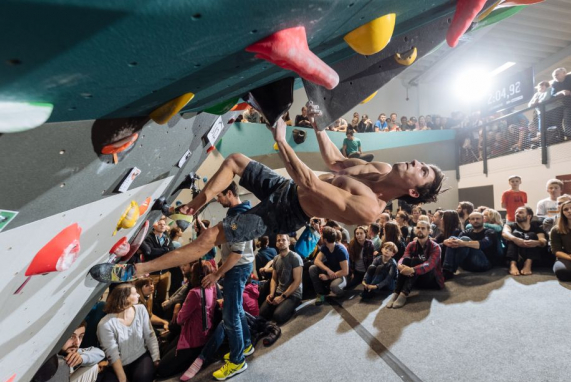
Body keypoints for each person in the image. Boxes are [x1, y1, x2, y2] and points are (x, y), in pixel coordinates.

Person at [91, 105, 445, 284]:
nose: (417, 162)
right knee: (235, 161)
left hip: (288, 212)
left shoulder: (370, 209)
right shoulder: (380, 169)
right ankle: (191, 210)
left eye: (423, 170)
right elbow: (335, 162)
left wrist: (281, 139)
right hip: (287, 187)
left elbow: (311, 184)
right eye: (423, 163)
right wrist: (319, 125)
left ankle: (135, 271)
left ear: (413, 190)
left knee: (217, 235)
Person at [202, 182, 255, 381]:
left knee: (230, 316)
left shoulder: (239, 218)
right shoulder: (236, 213)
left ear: (230, 193)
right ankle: (246, 344)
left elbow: (236, 254)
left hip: (237, 267)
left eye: (220, 196)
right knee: (237, 309)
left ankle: (237, 361)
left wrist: (217, 274)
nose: (218, 199)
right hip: (239, 266)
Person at [95, 285, 160, 382]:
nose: (139, 295)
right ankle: (123, 377)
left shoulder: (140, 309)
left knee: (142, 381)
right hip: (119, 363)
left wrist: (156, 358)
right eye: (135, 294)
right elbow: (112, 353)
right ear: (125, 298)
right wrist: (122, 380)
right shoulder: (105, 324)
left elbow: (149, 335)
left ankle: (133, 376)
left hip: (140, 356)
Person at [156, 260, 216, 378]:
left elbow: (180, 319)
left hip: (192, 338)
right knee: (165, 351)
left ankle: (192, 358)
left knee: (162, 369)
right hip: (204, 333)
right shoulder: (212, 287)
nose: (183, 268)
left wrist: (180, 307)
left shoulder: (194, 293)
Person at [387, 221, 443, 308]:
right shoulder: (411, 244)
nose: (420, 230)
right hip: (416, 278)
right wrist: (400, 265)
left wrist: (412, 269)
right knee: (406, 260)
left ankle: (403, 294)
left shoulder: (435, 247)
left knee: (416, 261)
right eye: (418, 228)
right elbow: (404, 257)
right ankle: (396, 292)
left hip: (431, 280)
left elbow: (429, 265)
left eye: (423, 228)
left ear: (429, 231)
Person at [259, 234, 303, 324]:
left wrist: (282, 297)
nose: (281, 242)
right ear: (276, 244)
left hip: (293, 294)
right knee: (261, 314)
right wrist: (271, 294)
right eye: (278, 240)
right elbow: (274, 279)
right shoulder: (276, 259)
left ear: (289, 242)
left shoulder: (295, 258)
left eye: (283, 240)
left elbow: (297, 281)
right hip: (280, 291)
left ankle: (294, 305)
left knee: (278, 316)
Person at [441, 212, 500, 279]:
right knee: (452, 238)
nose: (475, 221)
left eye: (478, 219)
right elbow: (456, 242)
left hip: (484, 263)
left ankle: (448, 270)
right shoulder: (466, 232)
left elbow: (484, 243)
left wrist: (463, 243)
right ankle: (447, 270)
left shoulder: (490, 232)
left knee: (464, 239)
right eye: (473, 219)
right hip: (466, 264)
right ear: (469, 221)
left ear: (483, 220)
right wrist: (445, 241)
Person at [310, 226, 350, 305]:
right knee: (312, 268)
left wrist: (328, 277)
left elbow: (345, 272)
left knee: (334, 286)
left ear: (325, 240)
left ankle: (339, 293)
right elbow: (316, 261)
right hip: (332, 272)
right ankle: (321, 294)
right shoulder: (325, 247)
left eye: (321, 235)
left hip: (342, 276)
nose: (320, 237)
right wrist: (328, 270)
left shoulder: (340, 250)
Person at [502, 206, 547, 276]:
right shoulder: (510, 225)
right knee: (514, 235)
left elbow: (543, 240)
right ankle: (512, 264)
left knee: (531, 235)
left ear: (529, 216)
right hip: (514, 254)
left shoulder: (536, 228)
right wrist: (515, 239)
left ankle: (528, 264)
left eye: (520, 212)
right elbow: (505, 233)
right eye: (516, 213)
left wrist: (536, 242)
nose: (517, 214)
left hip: (531, 256)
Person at [140, 218, 173, 306]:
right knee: (149, 298)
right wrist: (165, 249)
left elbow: (172, 250)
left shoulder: (167, 238)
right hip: (152, 273)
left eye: (164, 224)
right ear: (154, 225)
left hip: (164, 272)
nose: (162, 225)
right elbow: (150, 252)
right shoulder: (148, 238)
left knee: (162, 297)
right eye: (160, 224)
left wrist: (162, 250)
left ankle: (160, 315)